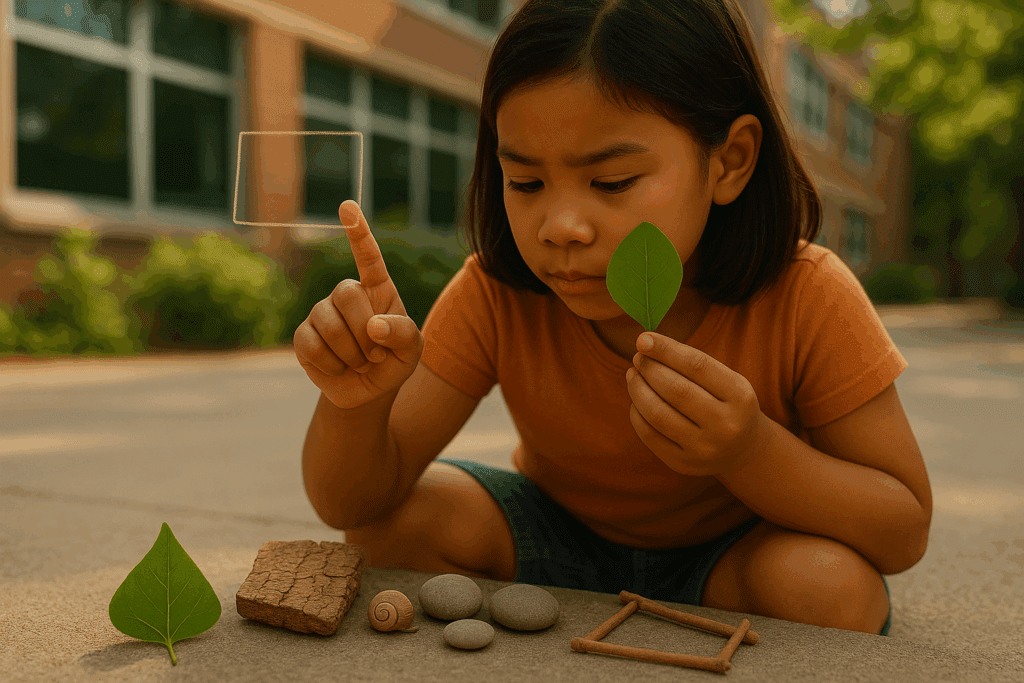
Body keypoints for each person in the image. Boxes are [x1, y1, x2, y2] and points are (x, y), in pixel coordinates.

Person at [296, 0, 933, 637]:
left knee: (832, 589)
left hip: (736, 559)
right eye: (525, 182)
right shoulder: (497, 292)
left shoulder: (805, 295)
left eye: (612, 182)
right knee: (399, 527)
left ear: (729, 161)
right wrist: (357, 403)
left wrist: (751, 451)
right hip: (553, 541)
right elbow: (353, 506)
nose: (561, 227)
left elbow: (902, 529)